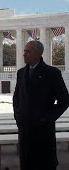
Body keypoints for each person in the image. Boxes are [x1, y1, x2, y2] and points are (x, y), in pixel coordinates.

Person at [13, 40, 69, 170]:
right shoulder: (20, 73)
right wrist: (18, 116)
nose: (24, 54)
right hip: (25, 129)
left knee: (44, 164)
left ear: (38, 53)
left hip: (43, 130)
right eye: (24, 51)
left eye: (28, 51)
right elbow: (17, 98)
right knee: (26, 163)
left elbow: (64, 100)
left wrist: (47, 118)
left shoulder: (52, 73)